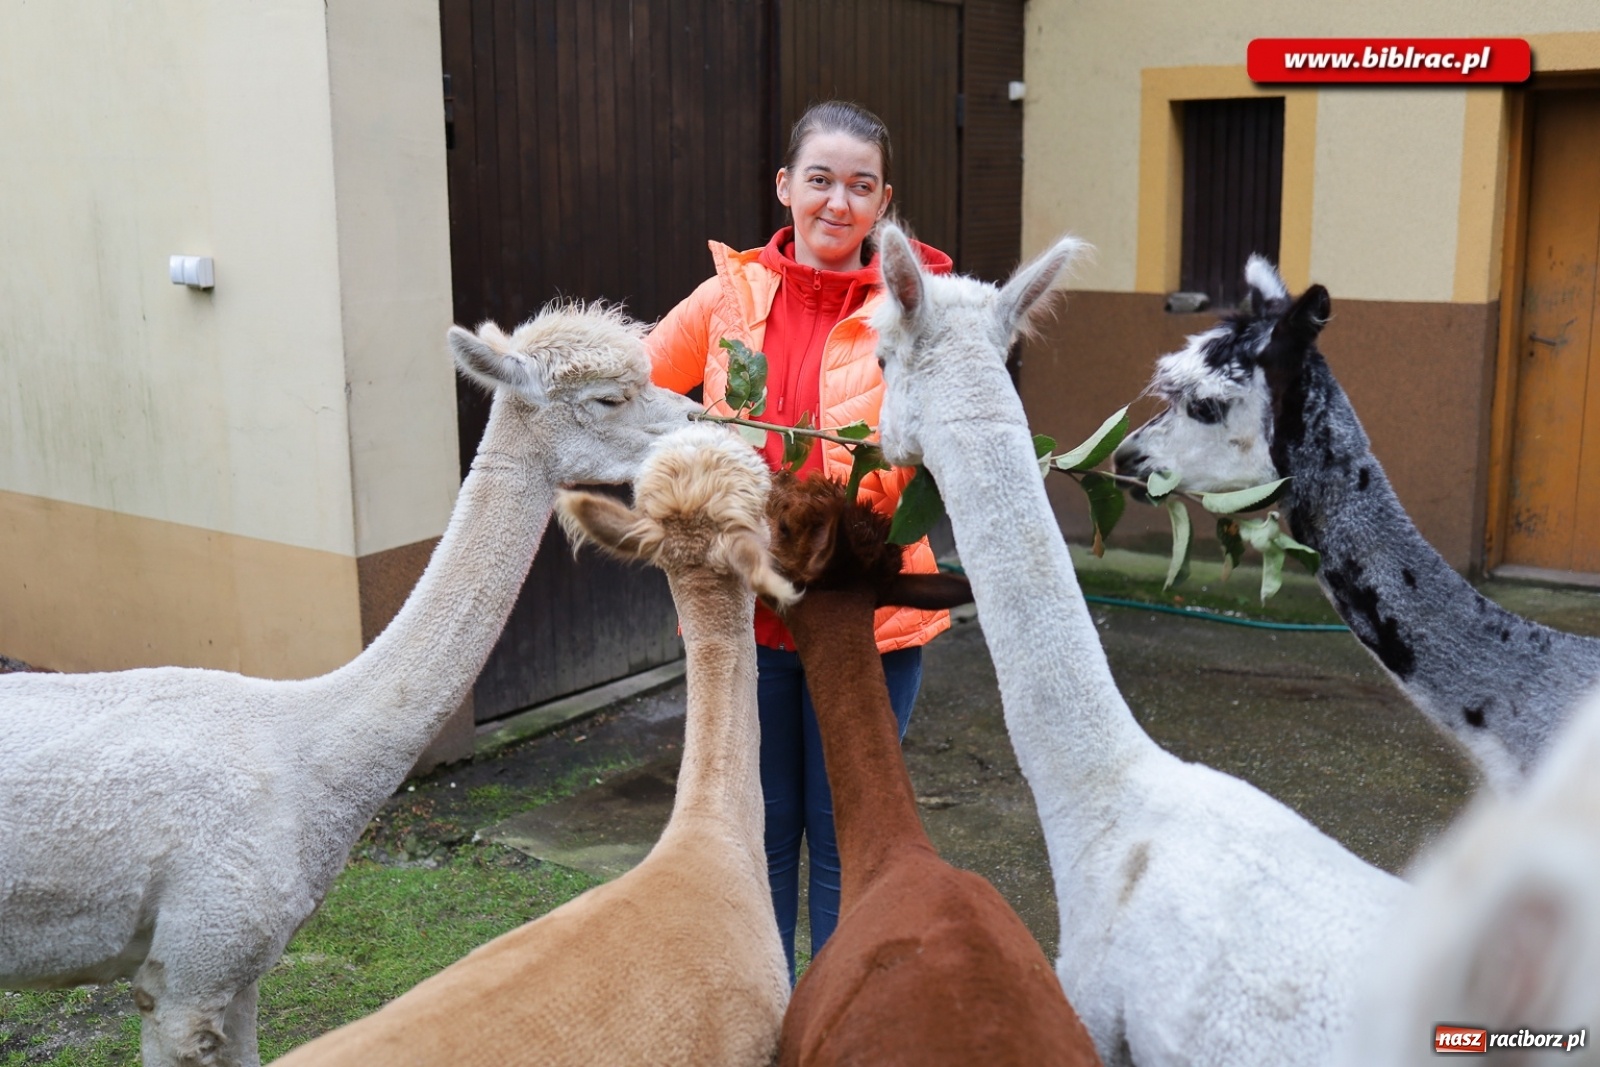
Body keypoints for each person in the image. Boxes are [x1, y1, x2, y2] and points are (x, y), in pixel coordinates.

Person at [646, 100, 953, 978]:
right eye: (819, 180)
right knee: (764, 830)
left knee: (852, 835)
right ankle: (771, 1007)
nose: (837, 203)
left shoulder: (915, 318)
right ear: (786, 186)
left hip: (866, 627)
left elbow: (936, 457)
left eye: (860, 187)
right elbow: (638, 390)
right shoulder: (725, 301)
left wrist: (847, 503)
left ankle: (835, 1010)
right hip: (750, 625)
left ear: (883, 201)